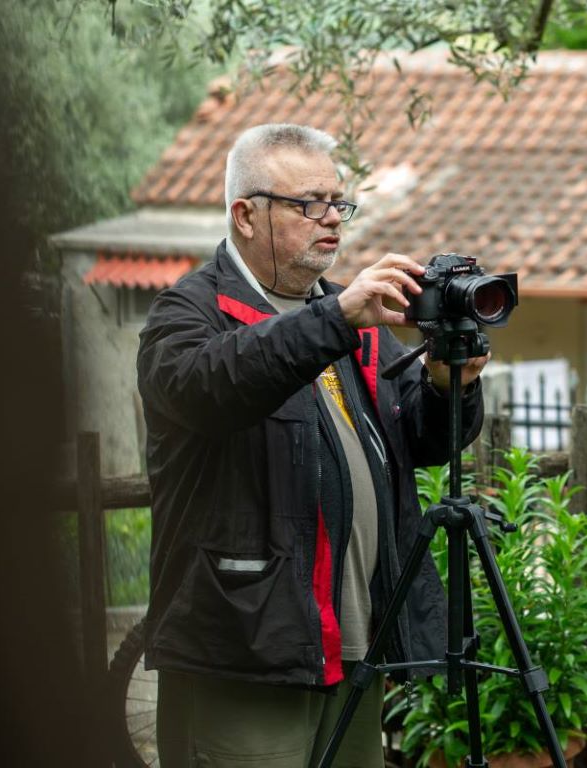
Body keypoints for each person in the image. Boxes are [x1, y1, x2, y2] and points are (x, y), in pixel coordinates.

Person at [137, 123, 486, 768]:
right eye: (308, 204)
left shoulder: (352, 321)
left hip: (352, 644)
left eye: (337, 203)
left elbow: (420, 440)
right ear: (245, 215)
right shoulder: (187, 313)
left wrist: (448, 384)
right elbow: (215, 386)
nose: (331, 218)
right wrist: (335, 318)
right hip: (245, 649)